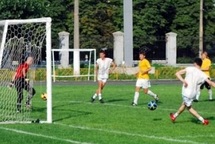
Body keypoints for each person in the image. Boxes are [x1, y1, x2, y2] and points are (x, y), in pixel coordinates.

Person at [170, 58, 215, 125]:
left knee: (189, 108)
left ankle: (203, 120)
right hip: (193, 93)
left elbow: (177, 73)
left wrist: (183, 81)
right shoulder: (203, 74)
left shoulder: (189, 68)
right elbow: (211, 83)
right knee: (184, 104)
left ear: (195, 63)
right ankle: (174, 116)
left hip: (186, 91)